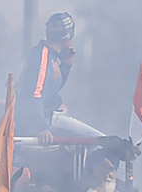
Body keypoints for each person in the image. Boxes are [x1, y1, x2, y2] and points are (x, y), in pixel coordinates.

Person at [17, 12, 103, 143]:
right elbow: (35, 94)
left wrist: (66, 66)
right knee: (103, 142)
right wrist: (43, 128)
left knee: (101, 141)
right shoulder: (42, 56)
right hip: (48, 119)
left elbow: (52, 89)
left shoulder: (52, 56)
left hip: (52, 116)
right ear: (67, 36)